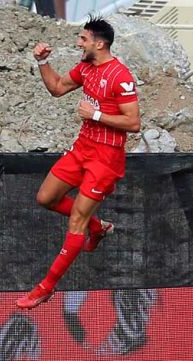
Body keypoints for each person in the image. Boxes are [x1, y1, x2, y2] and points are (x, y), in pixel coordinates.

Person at [16, 15, 140, 309]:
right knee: (46, 197)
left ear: (99, 43)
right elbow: (57, 88)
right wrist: (42, 62)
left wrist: (95, 115)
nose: (78, 43)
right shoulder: (86, 67)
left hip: (106, 157)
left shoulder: (120, 76)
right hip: (83, 147)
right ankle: (98, 227)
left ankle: (46, 287)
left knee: (76, 221)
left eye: (83, 39)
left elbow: (133, 123)